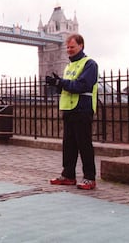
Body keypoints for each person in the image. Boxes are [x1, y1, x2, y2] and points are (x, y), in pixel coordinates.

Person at [46, 33, 98, 190]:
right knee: (68, 145)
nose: (68, 50)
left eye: (72, 47)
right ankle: (68, 175)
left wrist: (61, 83)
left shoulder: (90, 64)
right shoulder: (68, 66)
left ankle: (89, 177)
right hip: (69, 109)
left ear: (81, 46)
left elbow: (82, 85)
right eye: (67, 47)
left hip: (82, 108)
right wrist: (57, 83)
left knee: (84, 144)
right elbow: (67, 86)